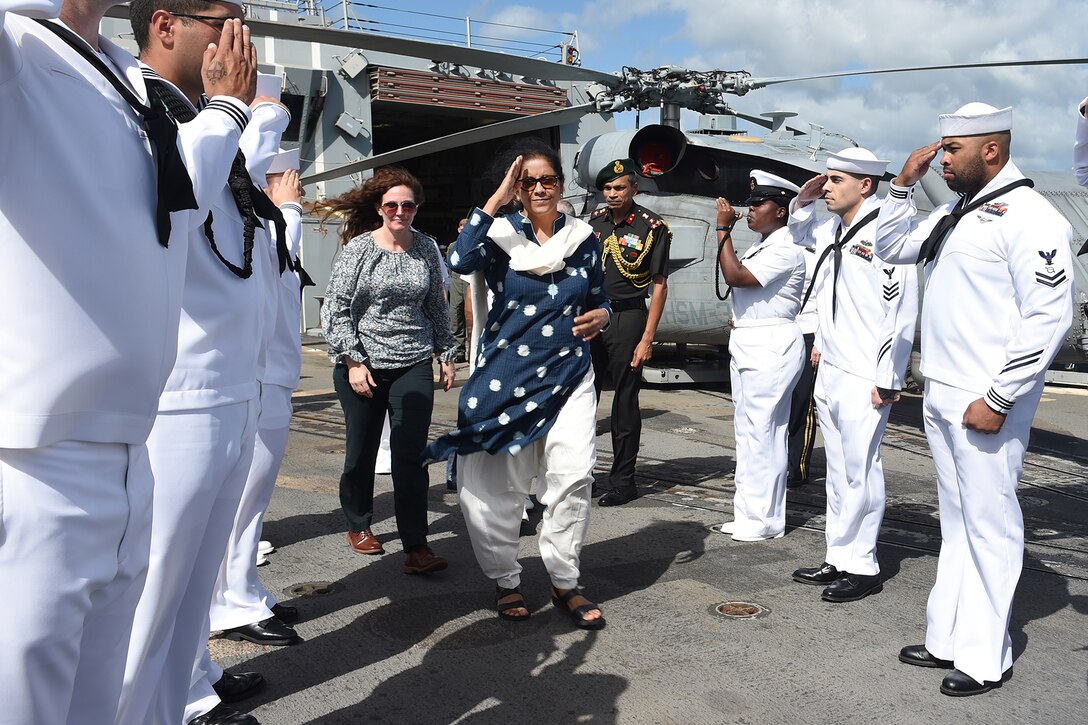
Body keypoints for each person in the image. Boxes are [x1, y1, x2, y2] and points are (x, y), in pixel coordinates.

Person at [0, 1, 252, 723]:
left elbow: (174, 203)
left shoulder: (123, 80)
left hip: (126, 457)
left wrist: (230, 107)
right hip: (33, 459)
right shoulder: (17, 46)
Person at [118, 3, 291, 725]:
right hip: (178, 398)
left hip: (231, 390)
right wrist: (228, 106)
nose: (236, 38)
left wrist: (243, 113)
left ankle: (186, 697)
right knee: (148, 603)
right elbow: (173, 210)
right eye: (221, 21)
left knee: (190, 596)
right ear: (165, 24)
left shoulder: (200, 118)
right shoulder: (135, 106)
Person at [874, 103, 1074, 696]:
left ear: (991, 149)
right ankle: (949, 637)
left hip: (985, 396)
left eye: (951, 151)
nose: (943, 160)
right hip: (942, 390)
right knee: (957, 521)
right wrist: (901, 185)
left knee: (989, 522)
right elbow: (891, 246)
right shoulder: (957, 213)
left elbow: (1048, 316)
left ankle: (988, 656)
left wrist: (999, 394)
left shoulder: (1031, 218)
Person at [424, 139, 612, 629]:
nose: (540, 188)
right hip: (508, 375)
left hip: (570, 372)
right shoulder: (500, 235)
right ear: (517, 188)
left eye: (547, 179)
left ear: (561, 185)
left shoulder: (585, 238)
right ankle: (506, 580)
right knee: (497, 485)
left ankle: (564, 580)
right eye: (528, 182)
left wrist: (602, 317)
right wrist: (494, 202)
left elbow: (599, 296)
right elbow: (461, 261)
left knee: (572, 478)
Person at [196, 152, 307, 717]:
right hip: (228, 383)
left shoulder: (258, 216)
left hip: (260, 379)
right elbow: (267, 269)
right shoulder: (242, 213)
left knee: (231, 521)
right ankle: (185, 684)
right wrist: (288, 212)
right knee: (182, 555)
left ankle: (211, 638)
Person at [787, 148, 918, 603]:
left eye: (836, 180)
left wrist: (889, 376)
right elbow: (801, 236)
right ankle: (838, 554)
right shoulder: (830, 227)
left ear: (866, 185)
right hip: (833, 365)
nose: (827, 186)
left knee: (862, 469)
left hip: (867, 371)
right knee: (839, 469)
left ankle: (862, 565)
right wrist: (802, 201)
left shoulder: (889, 227)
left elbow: (900, 309)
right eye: (827, 178)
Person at [322, 166, 456, 574]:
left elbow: (436, 303)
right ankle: (358, 523)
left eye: (408, 205)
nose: (400, 211)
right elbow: (336, 308)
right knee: (361, 452)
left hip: (412, 360)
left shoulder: (427, 248)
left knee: (411, 455)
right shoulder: (359, 249)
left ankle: (416, 546)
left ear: (417, 208)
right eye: (393, 204)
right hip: (362, 362)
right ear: (380, 208)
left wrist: (445, 351)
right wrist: (353, 361)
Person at [714, 172, 806, 542]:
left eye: (758, 204)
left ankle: (766, 520)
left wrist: (723, 231)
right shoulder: (763, 244)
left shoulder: (786, 248)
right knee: (748, 432)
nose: (748, 210)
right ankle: (750, 513)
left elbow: (736, 276)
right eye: (749, 204)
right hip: (750, 340)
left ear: (781, 211)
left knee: (764, 433)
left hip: (770, 342)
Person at [587, 158, 672, 506]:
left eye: (619, 188)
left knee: (624, 402)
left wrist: (647, 338)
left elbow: (660, 285)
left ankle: (623, 481)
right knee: (581, 399)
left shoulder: (652, 227)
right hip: (591, 317)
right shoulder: (593, 222)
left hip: (627, 319)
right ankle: (580, 474)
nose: (612, 194)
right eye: (607, 188)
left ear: (634, 189)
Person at [786, 242, 819, 489]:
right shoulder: (774, 250)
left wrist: (820, 339)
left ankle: (797, 467)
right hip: (781, 332)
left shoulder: (817, 253)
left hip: (808, 332)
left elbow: (829, 300)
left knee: (801, 403)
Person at [448, 218, 471, 362]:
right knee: (455, 315)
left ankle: (473, 351)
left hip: (471, 282)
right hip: (456, 282)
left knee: (472, 317)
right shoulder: (452, 246)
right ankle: (459, 350)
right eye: (461, 227)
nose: (463, 230)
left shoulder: (475, 244)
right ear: (458, 229)